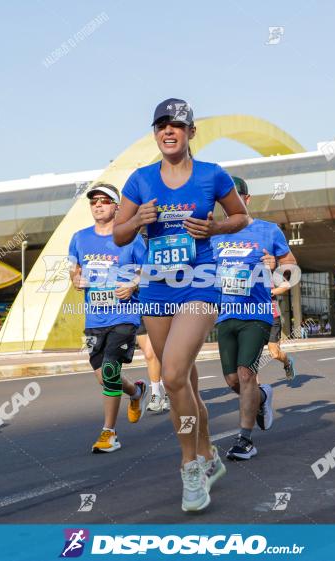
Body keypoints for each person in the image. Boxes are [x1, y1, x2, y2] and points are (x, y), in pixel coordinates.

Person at [114, 99, 248, 512]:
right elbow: (118, 234)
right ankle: (208, 455)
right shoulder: (139, 180)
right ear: (155, 134)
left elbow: (240, 217)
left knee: (170, 374)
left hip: (199, 282)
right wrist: (137, 222)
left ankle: (190, 466)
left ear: (191, 133)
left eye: (177, 125)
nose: (168, 131)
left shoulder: (212, 175)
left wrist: (215, 226)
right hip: (156, 287)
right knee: (184, 382)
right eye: (161, 126)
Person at [212, 176, 296, 461]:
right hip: (226, 315)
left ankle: (245, 440)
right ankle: (262, 397)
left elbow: (291, 265)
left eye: (236, 198)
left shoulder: (268, 231)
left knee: (247, 373)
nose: (230, 204)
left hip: (256, 314)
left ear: (246, 200)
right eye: (225, 200)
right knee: (232, 380)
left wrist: (276, 265)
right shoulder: (214, 235)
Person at [69, 183, 148, 453]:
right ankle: (136, 392)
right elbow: (74, 269)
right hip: (94, 319)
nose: (98, 205)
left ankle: (109, 433)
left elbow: (149, 271)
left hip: (124, 315)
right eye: (94, 202)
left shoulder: (131, 238)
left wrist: (133, 284)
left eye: (104, 200)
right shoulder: (79, 238)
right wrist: (75, 279)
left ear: (117, 206)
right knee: (104, 378)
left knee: (111, 371)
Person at [140, 321, 168, 413]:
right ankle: (170, 391)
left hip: (155, 311)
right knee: (150, 358)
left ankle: (155, 394)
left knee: (150, 354)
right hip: (137, 311)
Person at [266, 292, 296, 379]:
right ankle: (256, 387)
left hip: (272, 317)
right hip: (253, 318)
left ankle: (287, 362)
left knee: (274, 353)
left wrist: (270, 291)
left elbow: (285, 285)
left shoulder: (270, 278)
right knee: (254, 356)